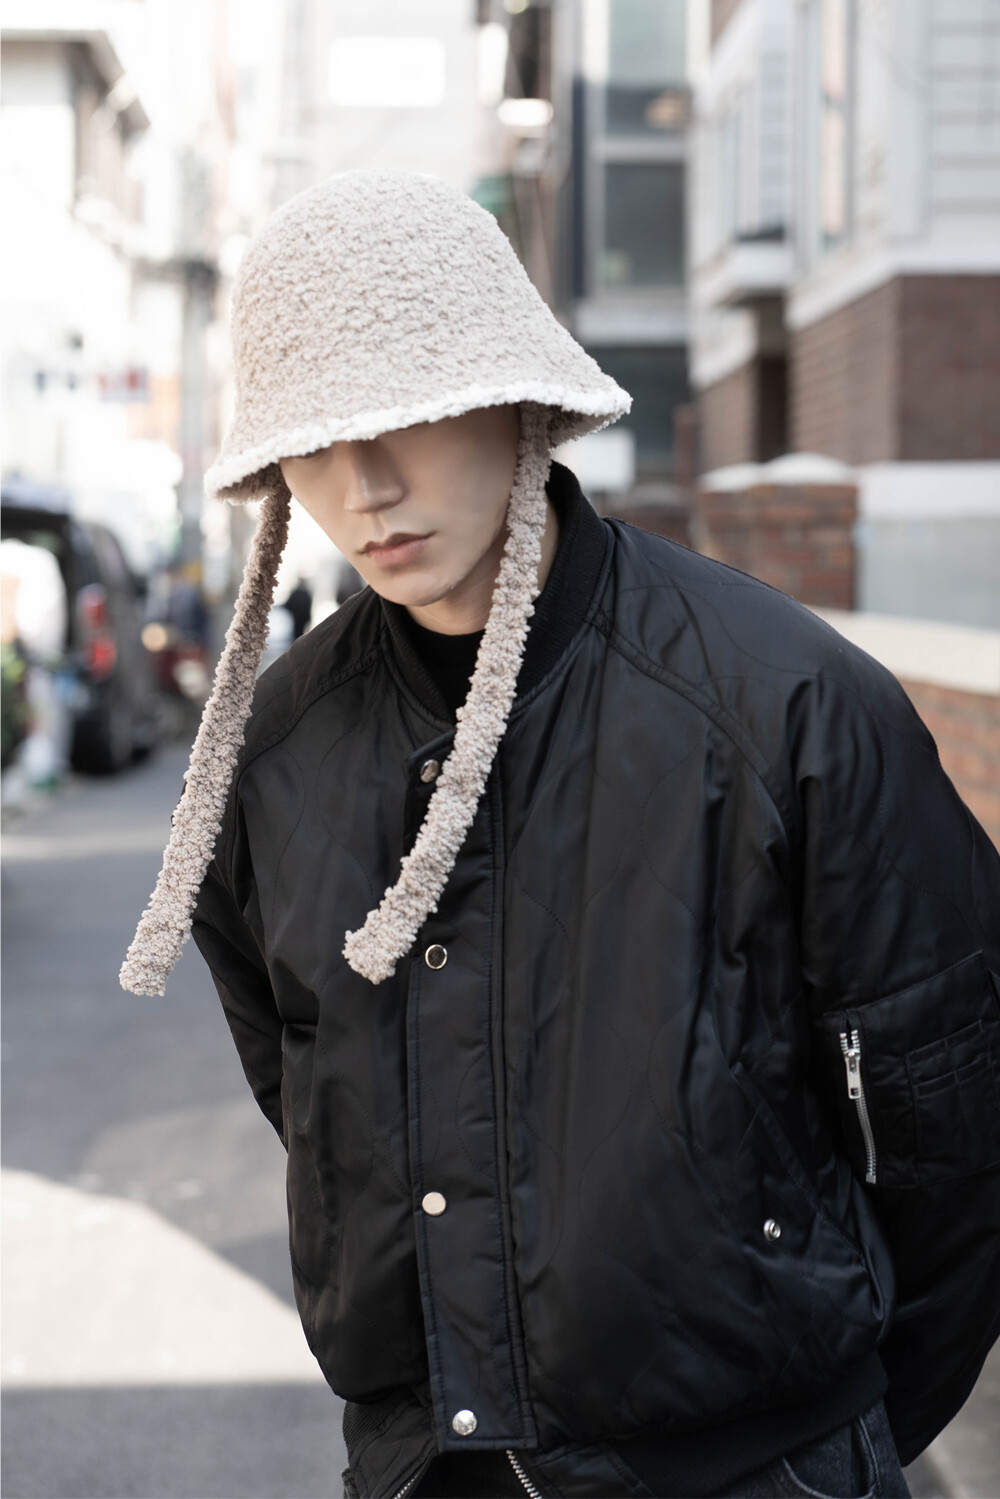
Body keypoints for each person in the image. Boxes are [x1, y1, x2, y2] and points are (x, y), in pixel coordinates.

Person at [121, 171, 1000, 1499]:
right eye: (317, 438)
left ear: (513, 396)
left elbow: (955, 1132)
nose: (367, 485)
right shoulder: (275, 747)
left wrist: (833, 1444)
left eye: (410, 415)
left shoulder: (785, 704)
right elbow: (308, 1098)